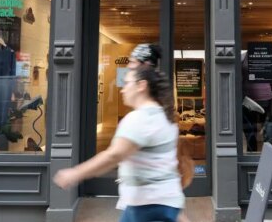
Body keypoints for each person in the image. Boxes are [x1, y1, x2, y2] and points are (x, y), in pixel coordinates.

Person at [54, 64, 184, 222]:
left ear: (141, 86)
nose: (122, 89)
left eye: (127, 83)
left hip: (145, 206)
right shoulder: (167, 118)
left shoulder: (139, 119)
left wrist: (75, 173)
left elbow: (114, 155)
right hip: (166, 201)